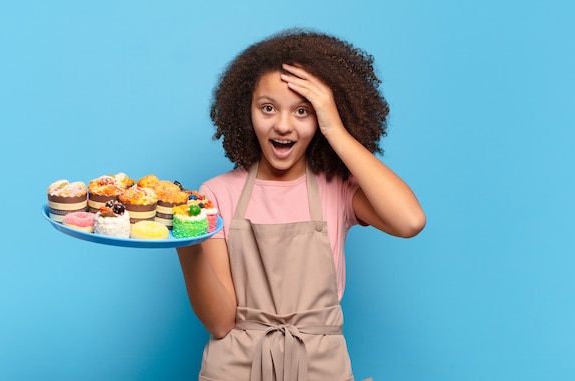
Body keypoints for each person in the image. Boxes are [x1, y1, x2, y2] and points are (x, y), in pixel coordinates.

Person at [176, 28, 426, 381]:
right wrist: (185, 242)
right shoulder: (216, 194)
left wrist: (336, 130)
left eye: (303, 111)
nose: (282, 125)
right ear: (245, 111)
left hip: (321, 367)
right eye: (267, 108)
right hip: (235, 368)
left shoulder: (339, 189)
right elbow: (220, 322)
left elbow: (410, 221)